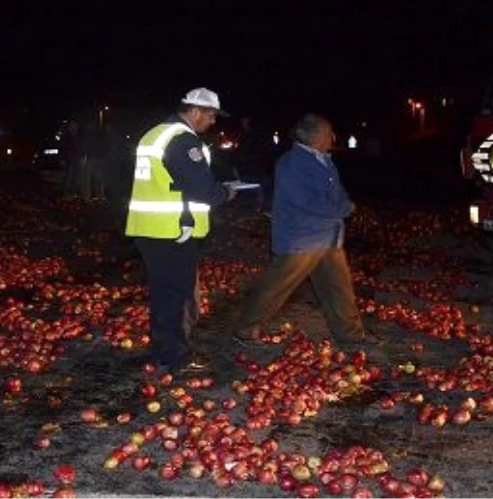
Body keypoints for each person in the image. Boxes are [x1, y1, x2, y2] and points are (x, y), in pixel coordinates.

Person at [234, 114, 375, 348]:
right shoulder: (292, 163)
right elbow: (305, 201)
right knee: (276, 287)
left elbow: (336, 191)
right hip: (301, 238)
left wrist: (343, 204)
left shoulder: (323, 161)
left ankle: (351, 334)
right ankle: (246, 329)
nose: (332, 137)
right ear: (317, 136)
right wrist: (342, 208)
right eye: (329, 132)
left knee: (338, 288)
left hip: (328, 236)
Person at [125, 88, 237, 373]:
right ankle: (177, 357)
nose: (212, 122)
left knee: (163, 294)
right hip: (174, 230)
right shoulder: (183, 140)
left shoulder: (155, 134)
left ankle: (162, 353)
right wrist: (225, 193)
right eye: (211, 116)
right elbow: (200, 189)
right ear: (196, 112)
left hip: (149, 228)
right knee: (178, 296)